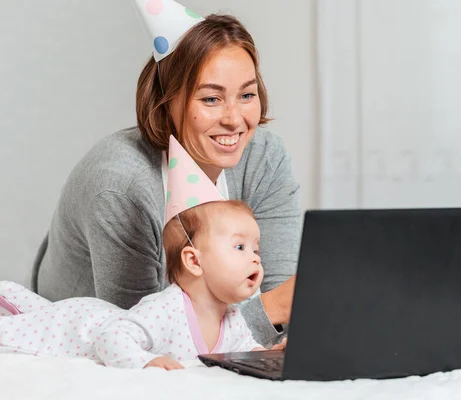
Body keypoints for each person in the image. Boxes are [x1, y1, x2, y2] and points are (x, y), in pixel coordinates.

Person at [31, 1, 300, 347]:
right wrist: (272, 310)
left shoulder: (264, 158)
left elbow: (283, 310)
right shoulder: (119, 186)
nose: (235, 119)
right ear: (165, 100)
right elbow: (141, 343)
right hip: (74, 348)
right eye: (211, 99)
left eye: (246, 94)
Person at [1, 140, 286, 369]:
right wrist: (146, 361)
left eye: (255, 249)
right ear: (194, 261)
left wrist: (271, 355)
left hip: (101, 319)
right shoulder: (167, 308)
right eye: (240, 247)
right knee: (18, 327)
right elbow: (110, 338)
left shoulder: (233, 318)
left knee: (30, 309)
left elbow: (247, 352)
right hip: (80, 324)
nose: (255, 258)